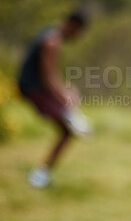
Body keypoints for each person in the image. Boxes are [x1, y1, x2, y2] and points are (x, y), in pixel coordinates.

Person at [19, 11, 91, 188]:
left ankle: (42, 174)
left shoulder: (51, 33)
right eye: (79, 32)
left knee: (67, 129)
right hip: (33, 89)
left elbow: (51, 74)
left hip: (36, 88)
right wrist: (64, 96)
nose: (78, 37)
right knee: (68, 129)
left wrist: (66, 90)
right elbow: (47, 77)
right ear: (74, 26)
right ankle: (40, 176)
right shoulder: (52, 41)